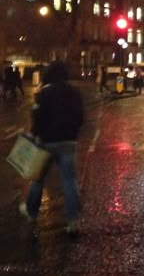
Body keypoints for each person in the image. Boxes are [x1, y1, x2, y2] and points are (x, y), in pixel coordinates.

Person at [19, 60, 84, 235]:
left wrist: (34, 133)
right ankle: (73, 221)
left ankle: (31, 212)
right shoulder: (74, 93)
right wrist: (73, 131)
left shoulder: (44, 93)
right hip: (68, 141)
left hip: (46, 141)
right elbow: (80, 116)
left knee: (38, 179)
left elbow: (37, 117)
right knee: (69, 181)